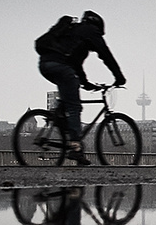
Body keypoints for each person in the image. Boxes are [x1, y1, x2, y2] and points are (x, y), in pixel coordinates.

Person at [36, 10, 127, 164]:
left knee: (67, 95)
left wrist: (85, 83)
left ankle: (57, 119)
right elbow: (106, 55)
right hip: (61, 66)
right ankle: (75, 147)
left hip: (45, 64)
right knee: (74, 107)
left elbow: (75, 65)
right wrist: (119, 77)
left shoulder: (72, 33)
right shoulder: (90, 31)